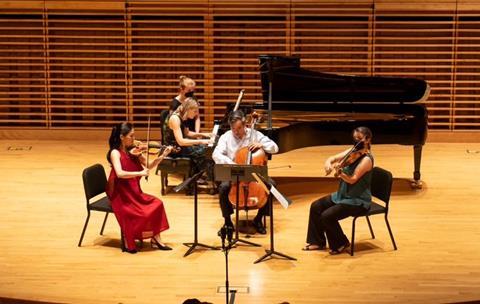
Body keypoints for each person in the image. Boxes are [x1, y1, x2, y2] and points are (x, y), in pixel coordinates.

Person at [303, 126, 374, 255]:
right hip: (343, 195)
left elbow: (352, 179)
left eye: (358, 139)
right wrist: (328, 164)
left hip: (357, 200)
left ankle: (341, 243)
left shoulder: (367, 160)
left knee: (327, 216)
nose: (355, 141)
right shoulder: (352, 150)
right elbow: (332, 158)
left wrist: (340, 172)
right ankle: (317, 242)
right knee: (316, 206)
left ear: (367, 139)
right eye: (354, 138)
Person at [106, 122, 173, 254]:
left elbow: (149, 164)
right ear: (121, 137)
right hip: (121, 195)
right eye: (131, 136)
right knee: (141, 212)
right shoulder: (115, 153)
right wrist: (140, 173)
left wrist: (163, 155)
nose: (134, 139)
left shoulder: (134, 151)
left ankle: (156, 238)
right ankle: (128, 237)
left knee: (158, 204)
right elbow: (119, 173)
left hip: (134, 191)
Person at [212, 110, 279, 234]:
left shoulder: (255, 135)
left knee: (271, 185)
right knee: (223, 187)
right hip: (234, 172)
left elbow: (275, 148)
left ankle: (258, 219)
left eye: (238, 128)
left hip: (253, 174)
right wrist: (232, 164)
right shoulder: (226, 137)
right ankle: (227, 222)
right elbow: (216, 154)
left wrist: (261, 145)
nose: (236, 132)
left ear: (245, 125)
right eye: (233, 129)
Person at [164, 97, 213, 179]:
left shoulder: (181, 115)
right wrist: (202, 141)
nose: (196, 114)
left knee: (206, 150)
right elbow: (181, 142)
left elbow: (187, 133)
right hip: (174, 150)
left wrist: (205, 135)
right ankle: (194, 180)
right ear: (188, 109)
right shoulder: (175, 119)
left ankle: (197, 176)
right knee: (205, 152)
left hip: (180, 147)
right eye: (194, 111)